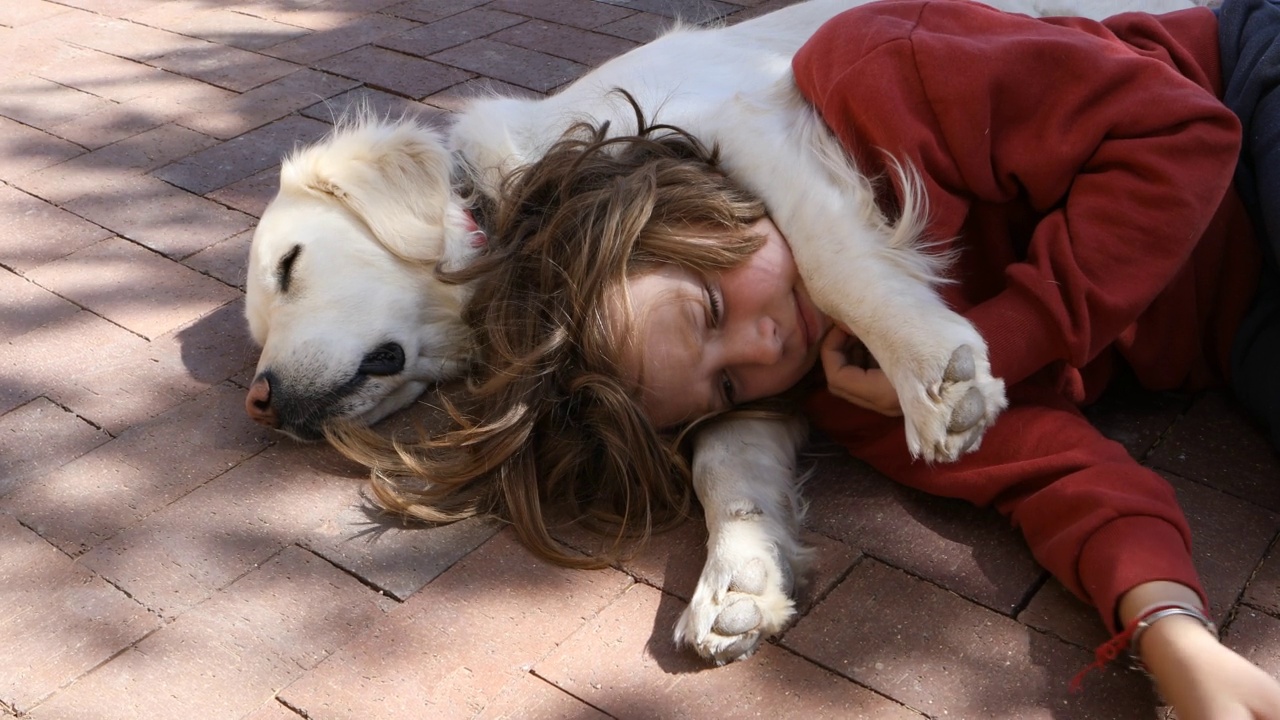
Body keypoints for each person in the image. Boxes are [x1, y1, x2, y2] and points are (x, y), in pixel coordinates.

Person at [331, 0, 1280, 716]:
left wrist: (1015, 333)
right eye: (730, 384)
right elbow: (1051, 477)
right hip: (1238, 323)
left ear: (701, 199)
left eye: (710, 304)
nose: (764, 343)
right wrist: (1167, 628)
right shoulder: (850, 387)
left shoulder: (871, 77)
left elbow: (1182, 136)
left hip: (1241, 84)